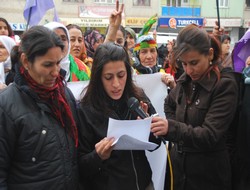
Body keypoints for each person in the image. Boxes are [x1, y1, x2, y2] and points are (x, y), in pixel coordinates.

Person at [150, 24, 239, 190]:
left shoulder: (224, 85)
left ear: (210, 54)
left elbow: (210, 135)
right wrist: (174, 126)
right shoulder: (187, 79)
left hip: (209, 175)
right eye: (184, 64)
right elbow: (169, 103)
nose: (189, 70)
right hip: (180, 172)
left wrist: (173, 128)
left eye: (194, 62)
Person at [0, 25, 79, 189]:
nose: (56, 72)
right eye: (48, 65)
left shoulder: (64, 95)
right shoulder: (6, 106)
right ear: (26, 61)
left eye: (58, 63)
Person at [77, 42, 162, 190]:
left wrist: (150, 128)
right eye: (108, 77)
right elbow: (80, 165)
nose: (116, 84)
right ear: (98, 78)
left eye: (121, 75)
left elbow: (155, 145)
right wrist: (98, 156)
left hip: (144, 184)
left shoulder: (138, 98)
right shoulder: (86, 110)